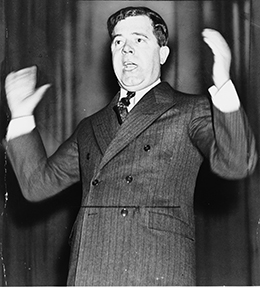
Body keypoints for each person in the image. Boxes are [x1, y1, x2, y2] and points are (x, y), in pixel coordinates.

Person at [3, 6, 257, 286]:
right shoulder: (90, 126)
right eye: (118, 41)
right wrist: (21, 116)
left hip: (154, 270)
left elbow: (237, 163)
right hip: (89, 271)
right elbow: (37, 184)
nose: (126, 49)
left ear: (162, 54)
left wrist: (223, 84)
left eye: (139, 39)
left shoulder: (190, 110)